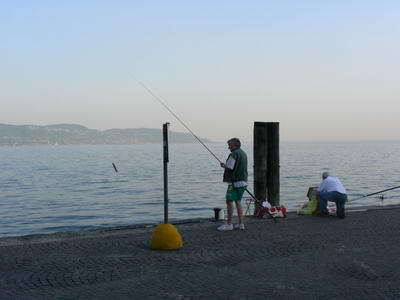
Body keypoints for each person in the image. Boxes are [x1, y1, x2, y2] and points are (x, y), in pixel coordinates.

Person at [217, 138, 248, 231]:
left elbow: (230, 167)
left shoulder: (234, 154)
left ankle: (229, 224)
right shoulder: (243, 153)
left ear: (234, 145)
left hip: (235, 183)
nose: (228, 147)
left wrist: (223, 165)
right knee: (238, 202)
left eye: (229, 145)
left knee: (229, 202)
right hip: (243, 181)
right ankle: (241, 224)